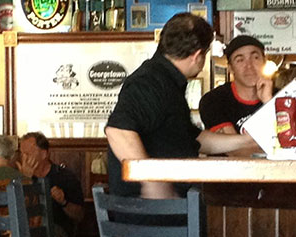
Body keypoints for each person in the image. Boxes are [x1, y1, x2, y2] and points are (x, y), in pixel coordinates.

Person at [104, 12, 253, 198]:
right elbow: (118, 131)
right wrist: (150, 181)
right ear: (197, 56)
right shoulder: (149, 81)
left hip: (171, 202)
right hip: (143, 207)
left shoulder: (168, 81)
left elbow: (196, 140)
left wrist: (246, 141)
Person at [18, 130, 84, 237]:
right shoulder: (20, 179)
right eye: (22, 154)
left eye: (28, 153)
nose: (24, 158)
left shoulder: (65, 177)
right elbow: (18, 208)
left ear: (44, 154)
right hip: (27, 229)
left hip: (56, 231)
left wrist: (63, 202)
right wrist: (25, 180)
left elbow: (79, 215)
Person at [198, 34, 274, 134]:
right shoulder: (214, 100)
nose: (249, 66)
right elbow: (231, 143)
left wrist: (268, 102)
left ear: (264, 62)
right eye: (240, 60)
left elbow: (287, 137)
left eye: (255, 58)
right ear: (230, 68)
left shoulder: (281, 96)